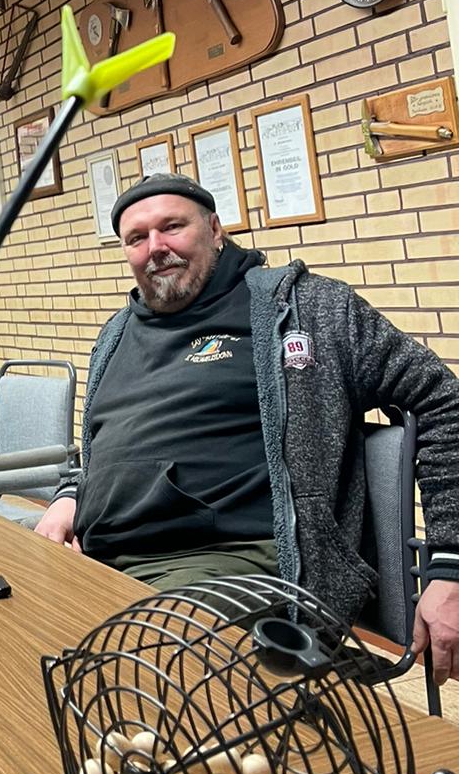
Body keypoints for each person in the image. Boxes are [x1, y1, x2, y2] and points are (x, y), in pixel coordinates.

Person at [31, 173, 459, 682]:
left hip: (234, 564)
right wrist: (71, 494)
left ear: (215, 230)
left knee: (122, 667)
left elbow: (443, 401)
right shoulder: (117, 333)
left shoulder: (308, 311)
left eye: (172, 227)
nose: (155, 248)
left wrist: (449, 564)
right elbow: (108, 443)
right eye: (136, 238)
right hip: (99, 558)